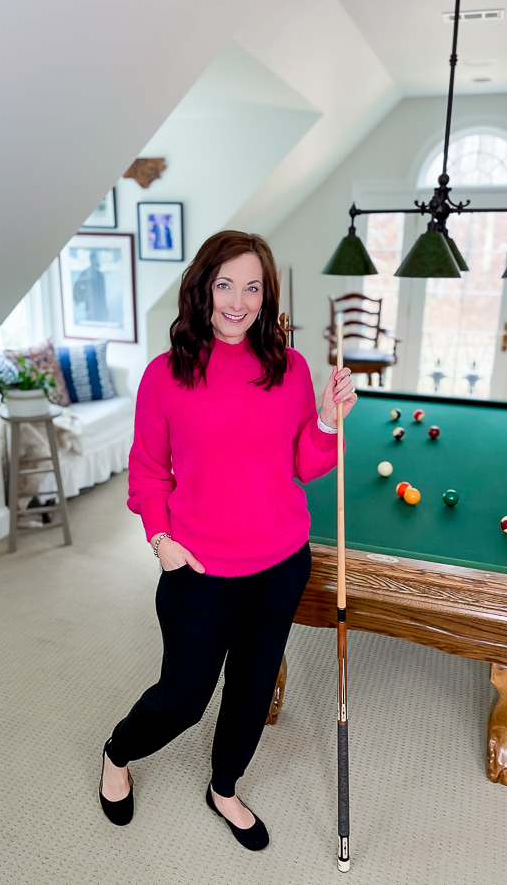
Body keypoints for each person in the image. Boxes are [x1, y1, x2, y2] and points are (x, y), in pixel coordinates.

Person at [99, 230, 356, 850]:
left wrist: (325, 419)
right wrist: (160, 537)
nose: (238, 302)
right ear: (202, 288)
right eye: (225, 285)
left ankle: (224, 787)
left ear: (267, 296)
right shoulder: (165, 376)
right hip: (199, 568)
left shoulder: (289, 368)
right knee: (185, 696)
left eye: (253, 287)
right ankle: (118, 751)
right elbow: (149, 470)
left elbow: (304, 463)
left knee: (251, 688)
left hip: (279, 564)